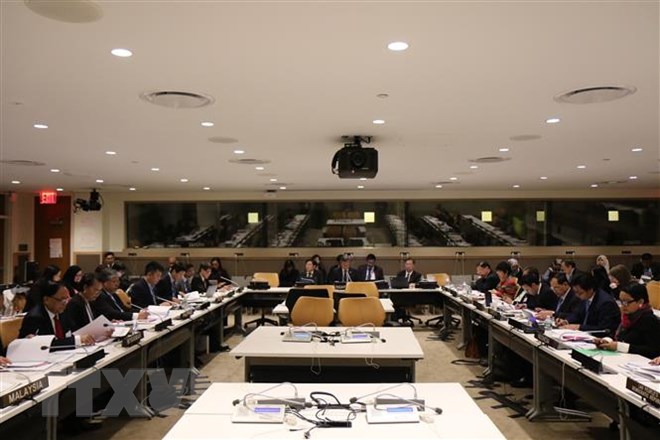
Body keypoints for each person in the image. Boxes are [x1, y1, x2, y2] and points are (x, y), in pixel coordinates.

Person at [19, 282, 95, 348]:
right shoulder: (35, 317)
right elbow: (45, 344)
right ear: (46, 300)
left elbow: (70, 332)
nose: (65, 303)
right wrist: (77, 340)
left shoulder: (62, 312)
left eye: (67, 299)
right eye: (61, 299)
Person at [594, 283, 660, 359]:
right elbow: (619, 337)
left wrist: (620, 346)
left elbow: (654, 351)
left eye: (626, 302)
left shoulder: (649, 320)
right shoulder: (628, 317)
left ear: (640, 302)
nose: (622, 306)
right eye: (621, 302)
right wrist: (607, 340)